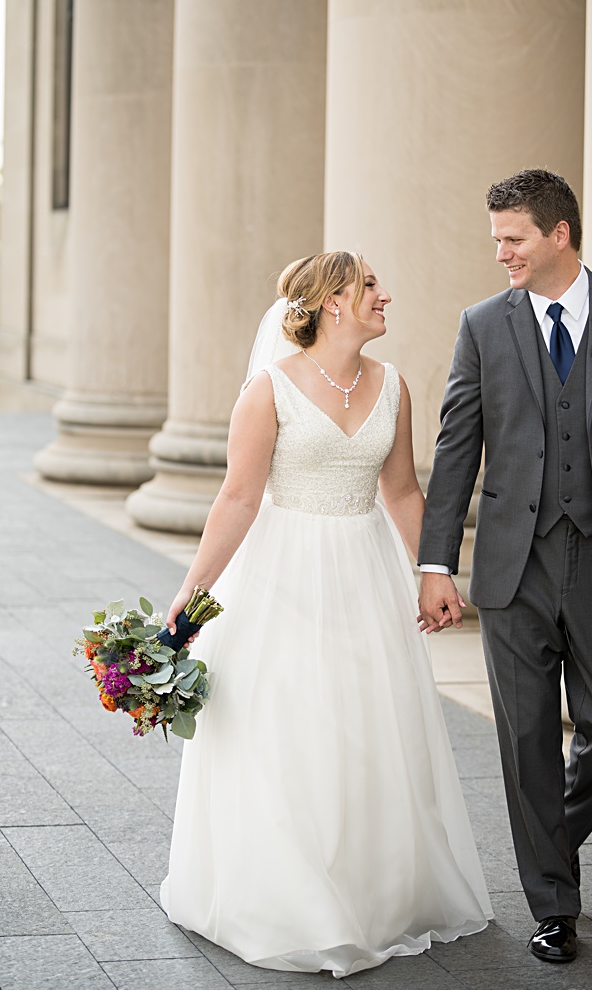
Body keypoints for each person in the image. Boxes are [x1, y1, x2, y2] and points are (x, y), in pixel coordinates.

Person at [160, 252, 492, 978]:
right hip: (282, 573)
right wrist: (192, 593)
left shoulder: (393, 384)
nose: (385, 296)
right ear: (331, 302)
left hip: (366, 574)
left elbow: (404, 491)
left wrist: (435, 572)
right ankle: (295, 900)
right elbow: (239, 499)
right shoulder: (268, 390)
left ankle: (370, 890)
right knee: (290, 728)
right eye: (370, 286)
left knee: (367, 727)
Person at [418, 169, 592, 963]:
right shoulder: (482, 325)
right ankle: (553, 904)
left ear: (558, 235)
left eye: (512, 238)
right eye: (498, 239)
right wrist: (436, 563)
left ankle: (550, 848)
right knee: (527, 740)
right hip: (515, 564)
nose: (501, 252)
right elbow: (455, 450)